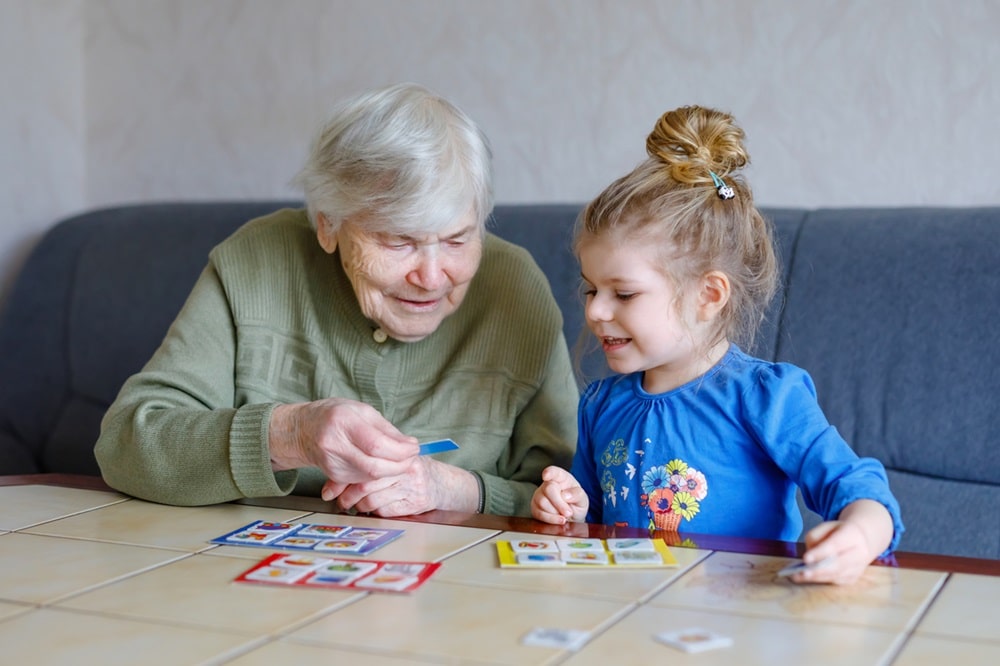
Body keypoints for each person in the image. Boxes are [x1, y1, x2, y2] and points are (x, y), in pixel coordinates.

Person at [95, 82, 578, 517]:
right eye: (398, 241)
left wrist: (453, 489)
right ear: (328, 223)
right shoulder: (256, 263)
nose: (432, 278)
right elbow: (126, 448)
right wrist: (290, 434)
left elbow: (583, 495)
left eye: (457, 240)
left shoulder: (515, 288)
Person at [530, 105, 903, 584]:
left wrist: (860, 534)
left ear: (708, 296)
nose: (596, 311)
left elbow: (856, 486)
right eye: (590, 289)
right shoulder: (600, 406)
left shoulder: (766, 397)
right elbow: (593, 521)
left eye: (623, 293)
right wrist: (568, 506)